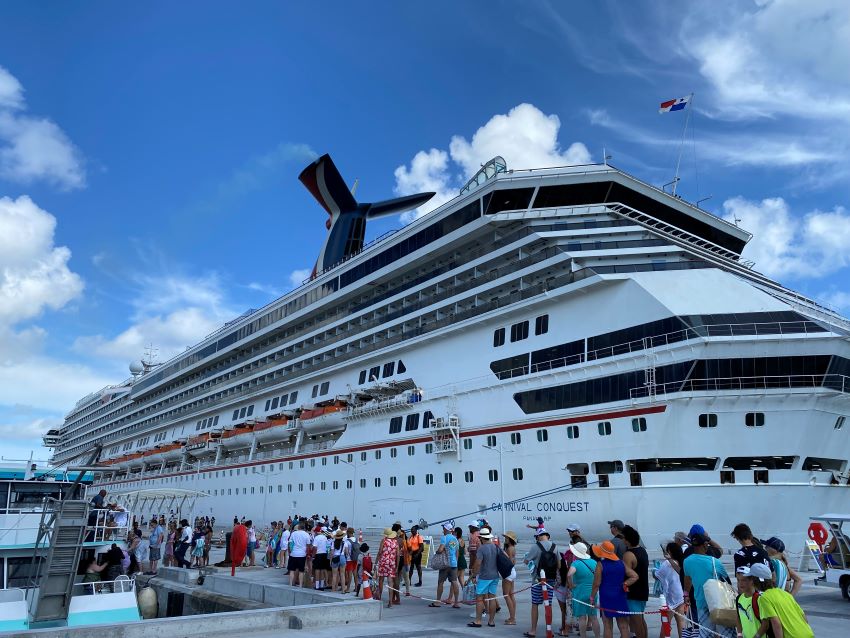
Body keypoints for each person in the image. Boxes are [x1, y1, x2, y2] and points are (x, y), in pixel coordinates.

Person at [683, 533, 735, 638]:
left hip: (701, 602)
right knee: (726, 633)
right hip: (718, 602)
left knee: (706, 633)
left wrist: (686, 595)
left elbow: (687, 580)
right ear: (705, 545)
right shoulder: (714, 562)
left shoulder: (687, 561)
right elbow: (727, 581)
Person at [744, 563, 814, 638]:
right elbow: (804, 617)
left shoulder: (764, 598)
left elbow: (776, 623)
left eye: (750, 579)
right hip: (807, 633)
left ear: (755, 581)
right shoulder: (785, 593)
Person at [591, 540, 637, 638]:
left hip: (606, 597)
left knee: (607, 626)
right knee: (624, 626)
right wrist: (625, 583)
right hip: (620, 595)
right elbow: (635, 576)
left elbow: (596, 584)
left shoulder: (600, 564)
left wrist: (592, 597)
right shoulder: (621, 563)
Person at [524, 528, 561, 638]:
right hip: (550, 580)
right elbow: (559, 565)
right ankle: (549, 631)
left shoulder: (536, 547)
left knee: (535, 604)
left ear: (538, 536)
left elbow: (526, 560)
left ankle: (533, 630)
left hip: (537, 579)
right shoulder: (555, 546)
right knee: (548, 604)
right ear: (547, 536)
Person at [468, 527, 499, 628]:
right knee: (492, 597)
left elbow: (477, 564)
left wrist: (473, 575)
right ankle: (491, 621)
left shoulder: (482, 548)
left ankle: (478, 621)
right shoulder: (495, 547)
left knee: (479, 598)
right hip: (495, 576)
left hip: (484, 576)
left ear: (481, 538)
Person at [568, 542, 600, 638]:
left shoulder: (576, 563)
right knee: (593, 617)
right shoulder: (594, 562)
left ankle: (583, 636)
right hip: (592, 593)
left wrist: (571, 585)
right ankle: (598, 636)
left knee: (582, 617)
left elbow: (569, 574)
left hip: (580, 593)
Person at [655, 542, 687, 638]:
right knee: (680, 622)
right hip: (680, 594)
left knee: (666, 622)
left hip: (671, 596)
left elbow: (657, 575)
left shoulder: (667, 563)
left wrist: (655, 570)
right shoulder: (682, 562)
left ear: (669, 552)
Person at [622, 525, 649, 638]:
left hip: (633, 591)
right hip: (643, 589)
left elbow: (626, 574)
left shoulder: (628, 555)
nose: (622, 540)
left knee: (637, 621)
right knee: (641, 619)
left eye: (623, 538)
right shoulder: (642, 551)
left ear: (627, 540)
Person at [430, 522, 460, 608]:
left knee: (440, 582)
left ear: (446, 529)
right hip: (453, 564)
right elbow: (457, 552)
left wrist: (437, 551)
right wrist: (455, 562)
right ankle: (456, 602)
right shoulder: (455, 539)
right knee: (454, 582)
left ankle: (438, 601)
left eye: (443, 528)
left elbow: (440, 549)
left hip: (445, 564)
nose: (443, 530)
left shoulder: (445, 538)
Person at [375, 527, 399, 607]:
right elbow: (398, 555)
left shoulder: (384, 540)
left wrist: (375, 562)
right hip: (391, 563)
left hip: (383, 562)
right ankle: (390, 602)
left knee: (381, 580)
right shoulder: (396, 542)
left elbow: (380, 551)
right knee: (390, 582)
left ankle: (379, 598)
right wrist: (397, 566)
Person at [501, 531, 518, 626]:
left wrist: (504, 555)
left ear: (510, 539)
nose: (505, 539)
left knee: (506, 594)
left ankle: (512, 618)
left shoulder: (509, 549)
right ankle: (512, 616)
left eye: (507, 538)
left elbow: (511, 561)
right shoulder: (512, 548)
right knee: (511, 594)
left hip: (508, 572)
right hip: (512, 572)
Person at [288, 522, 311, 586]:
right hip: (302, 554)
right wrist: (308, 554)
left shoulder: (293, 533)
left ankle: (290, 584)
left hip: (293, 554)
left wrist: (289, 552)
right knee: (301, 571)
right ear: (304, 528)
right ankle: (300, 585)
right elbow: (308, 545)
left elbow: (290, 543)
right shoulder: (306, 534)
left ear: (298, 527)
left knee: (292, 570)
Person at [454, 526, 468, 591]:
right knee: (461, 579)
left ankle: (451, 597)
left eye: (454, 532)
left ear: (456, 533)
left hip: (458, 561)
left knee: (454, 580)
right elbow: (465, 552)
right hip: (463, 560)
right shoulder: (462, 540)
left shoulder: (455, 540)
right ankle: (466, 594)